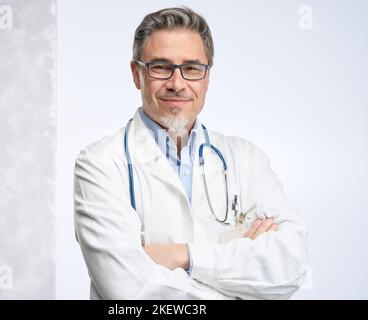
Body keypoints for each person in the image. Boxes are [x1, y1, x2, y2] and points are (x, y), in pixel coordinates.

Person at [74, 6, 308, 300]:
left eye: (192, 68)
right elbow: (129, 291)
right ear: (137, 74)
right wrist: (240, 275)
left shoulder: (246, 160)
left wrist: (184, 256)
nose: (177, 83)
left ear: (207, 76)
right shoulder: (100, 163)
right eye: (160, 67)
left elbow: (290, 266)